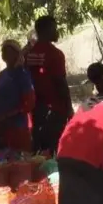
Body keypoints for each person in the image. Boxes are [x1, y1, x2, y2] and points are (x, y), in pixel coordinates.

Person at [26, 15, 72, 153]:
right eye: (54, 29)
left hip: (36, 108)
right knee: (53, 148)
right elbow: (60, 82)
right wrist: (69, 107)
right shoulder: (55, 54)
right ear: (46, 31)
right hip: (54, 109)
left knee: (38, 146)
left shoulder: (30, 53)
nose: (57, 32)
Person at [0, 40, 35, 152]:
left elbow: (29, 103)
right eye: (4, 51)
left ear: (17, 54)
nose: (6, 54)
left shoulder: (22, 75)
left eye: (9, 51)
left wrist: (8, 115)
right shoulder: (2, 74)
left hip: (16, 127)